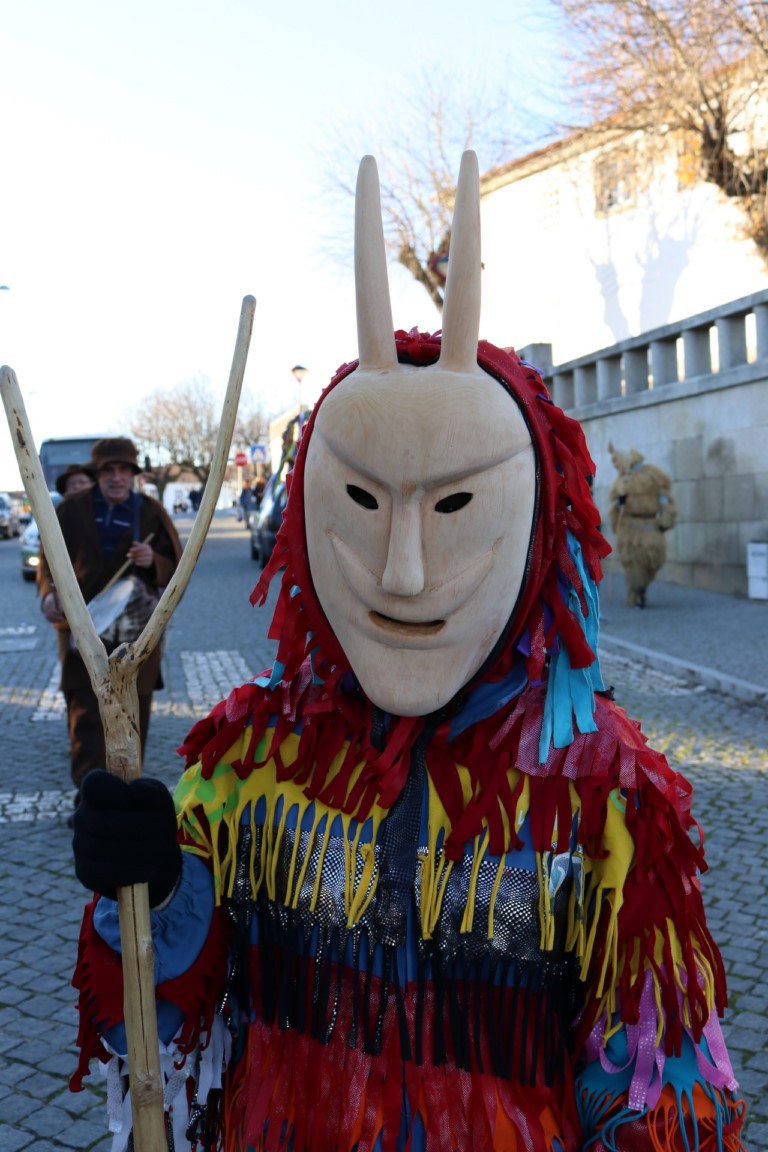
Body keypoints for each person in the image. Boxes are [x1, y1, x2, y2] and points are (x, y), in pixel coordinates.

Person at [70, 157, 744, 1151]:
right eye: (362, 504)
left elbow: (657, 1085)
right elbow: (170, 1026)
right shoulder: (250, 766)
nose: (404, 571)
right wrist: (151, 895)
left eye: (458, 505)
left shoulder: (603, 796)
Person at [38, 438, 182, 823]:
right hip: (83, 629)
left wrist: (154, 561)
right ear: (97, 475)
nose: (117, 478)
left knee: (134, 714)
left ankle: (126, 791)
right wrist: (48, 594)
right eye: (109, 471)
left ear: (134, 475)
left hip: (136, 632)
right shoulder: (68, 512)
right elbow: (48, 561)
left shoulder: (150, 512)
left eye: (124, 471)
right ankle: (89, 797)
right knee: (85, 713)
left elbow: (178, 566)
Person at [608, 443, 677, 608]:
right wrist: (619, 504)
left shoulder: (652, 476)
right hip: (630, 529)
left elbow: (664, 496)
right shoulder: (621, 481)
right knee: (633, 565)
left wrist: (666, 514)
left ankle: (641, 589)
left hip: (650, 527)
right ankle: (636, 593)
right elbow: (615, 502)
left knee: (652, 562)